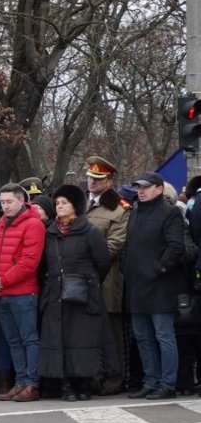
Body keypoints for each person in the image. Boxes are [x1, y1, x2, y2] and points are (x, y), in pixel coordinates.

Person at [40, 184, 110, 401]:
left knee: (81, 341)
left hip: (82, 296)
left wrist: (86, 281)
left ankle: (83, 383)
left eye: (65, 203)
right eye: (57, 203)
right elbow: (43, 264)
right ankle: (66, 384)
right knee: (59, 340)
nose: (59, 206)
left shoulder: (90, 231)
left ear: (75, 207)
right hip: (55, 295)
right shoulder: (49, 233)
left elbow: (103, 263)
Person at [123, 172, 186, 400]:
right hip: (137, 285)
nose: (141, 191)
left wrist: (158, 269)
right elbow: (128, 245)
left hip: (160, 285)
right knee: (142, 336)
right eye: (139, 187)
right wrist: (126, 268)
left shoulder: (170, 214)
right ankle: (151, 381)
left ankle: (168, 383)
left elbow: (175, 247)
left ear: (159, 189)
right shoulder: (136, 212)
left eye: (146, 187)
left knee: (163, 336)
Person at [0, 183, 45, 402]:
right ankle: (20, 382)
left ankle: (32, 384)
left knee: (29, 339)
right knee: (13, 340)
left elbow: (29, 263)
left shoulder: (33, 225)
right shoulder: (1, 223)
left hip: (22, 292)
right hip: (1, 292)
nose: (5, 206)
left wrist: (3, 281)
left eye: (9, 202)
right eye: (2, 202)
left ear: (21, 201)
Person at [83, 156, 130, 394]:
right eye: (90, 177)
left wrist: (87, 261)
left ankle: (114, 378)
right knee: (87, 331)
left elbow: (115, 244)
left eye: (97, 179)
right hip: (81, 278)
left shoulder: (119, 209)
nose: (91, 182)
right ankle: (92, 377)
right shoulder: (81, 204)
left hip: (107, 278)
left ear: (109, 181)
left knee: (110, 332)